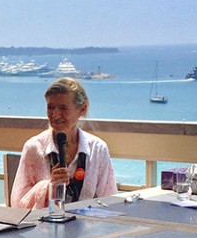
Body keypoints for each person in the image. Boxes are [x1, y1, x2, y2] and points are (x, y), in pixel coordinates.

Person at [10, 77, 117, 208]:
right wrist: (50, 186)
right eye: (51, 107)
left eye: (63, 108)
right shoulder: (34, 148)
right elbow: (18, 204)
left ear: (82, 109)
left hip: (86, 225)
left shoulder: (97, 149)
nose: (55, 115)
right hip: (43, 226)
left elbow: (109, 200)